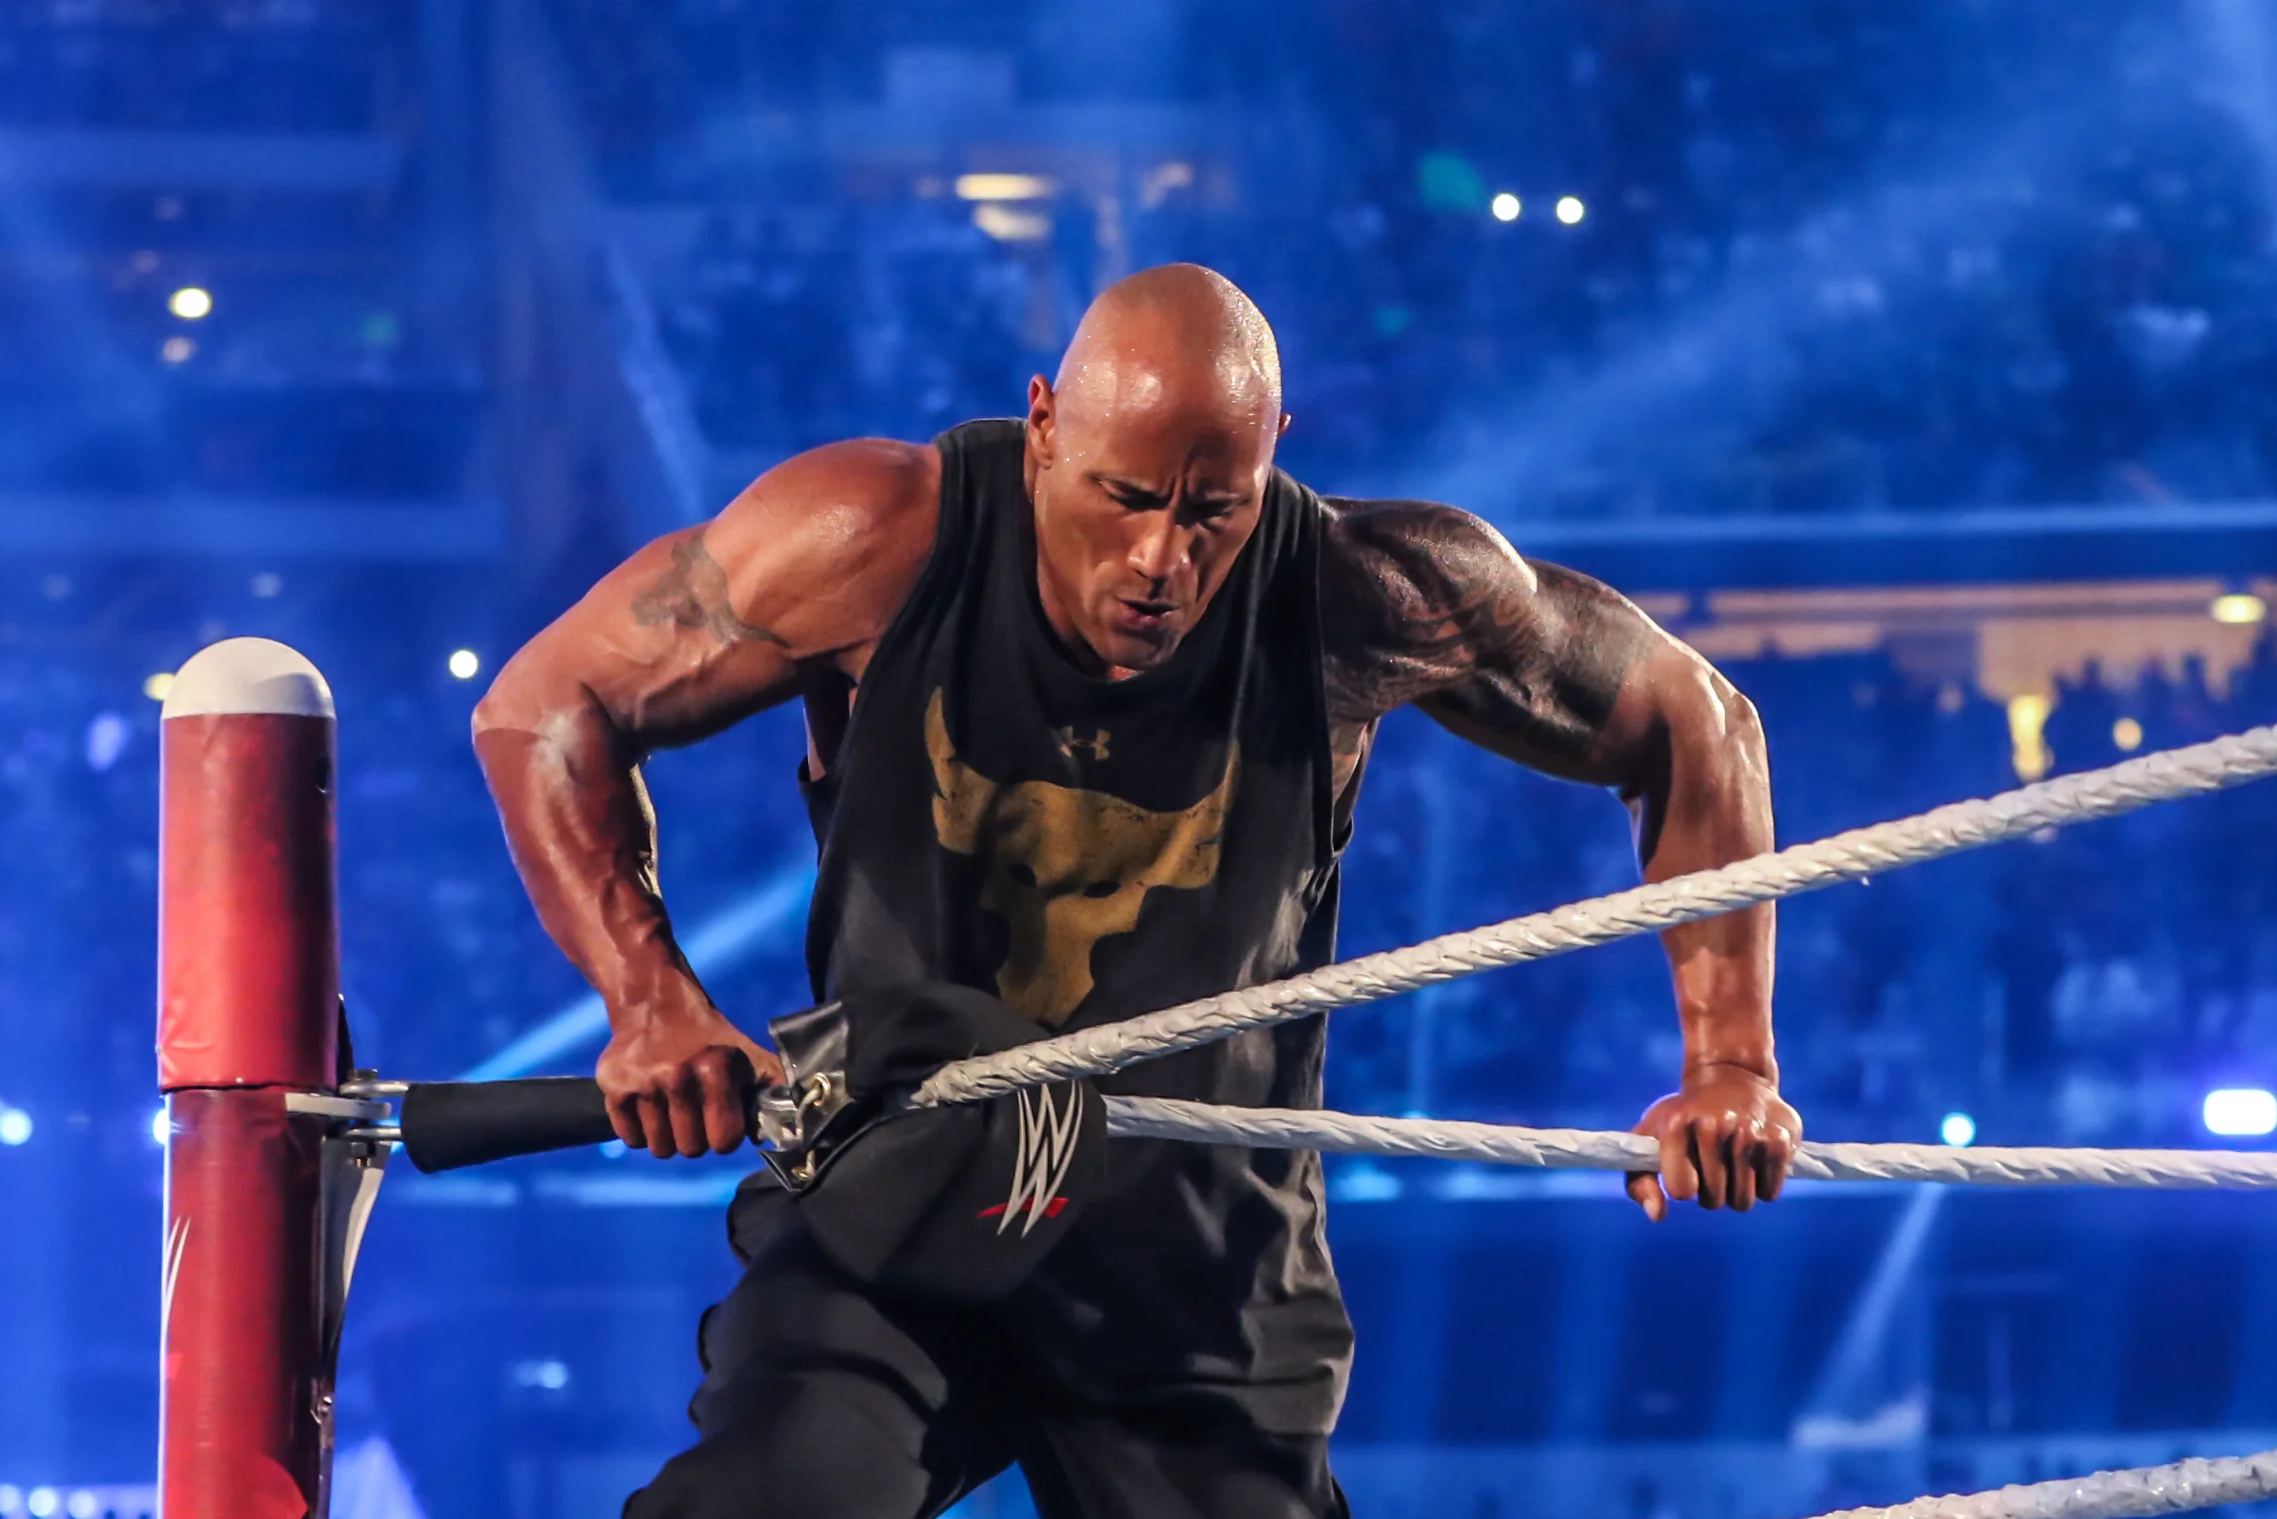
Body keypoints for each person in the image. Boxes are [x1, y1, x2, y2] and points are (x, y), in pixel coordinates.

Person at [471, 263, 1801, 1519]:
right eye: (1122, 495)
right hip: (904, 1200)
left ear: (1276, 443)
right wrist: (649, 998)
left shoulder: (1360, 593)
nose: (1162, 558)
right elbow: (545, 706)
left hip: (1198, 1262)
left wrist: (1730, 1059)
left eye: (1211, 508)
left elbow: (1698, 725)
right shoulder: (872, 536)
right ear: (1043, 424)